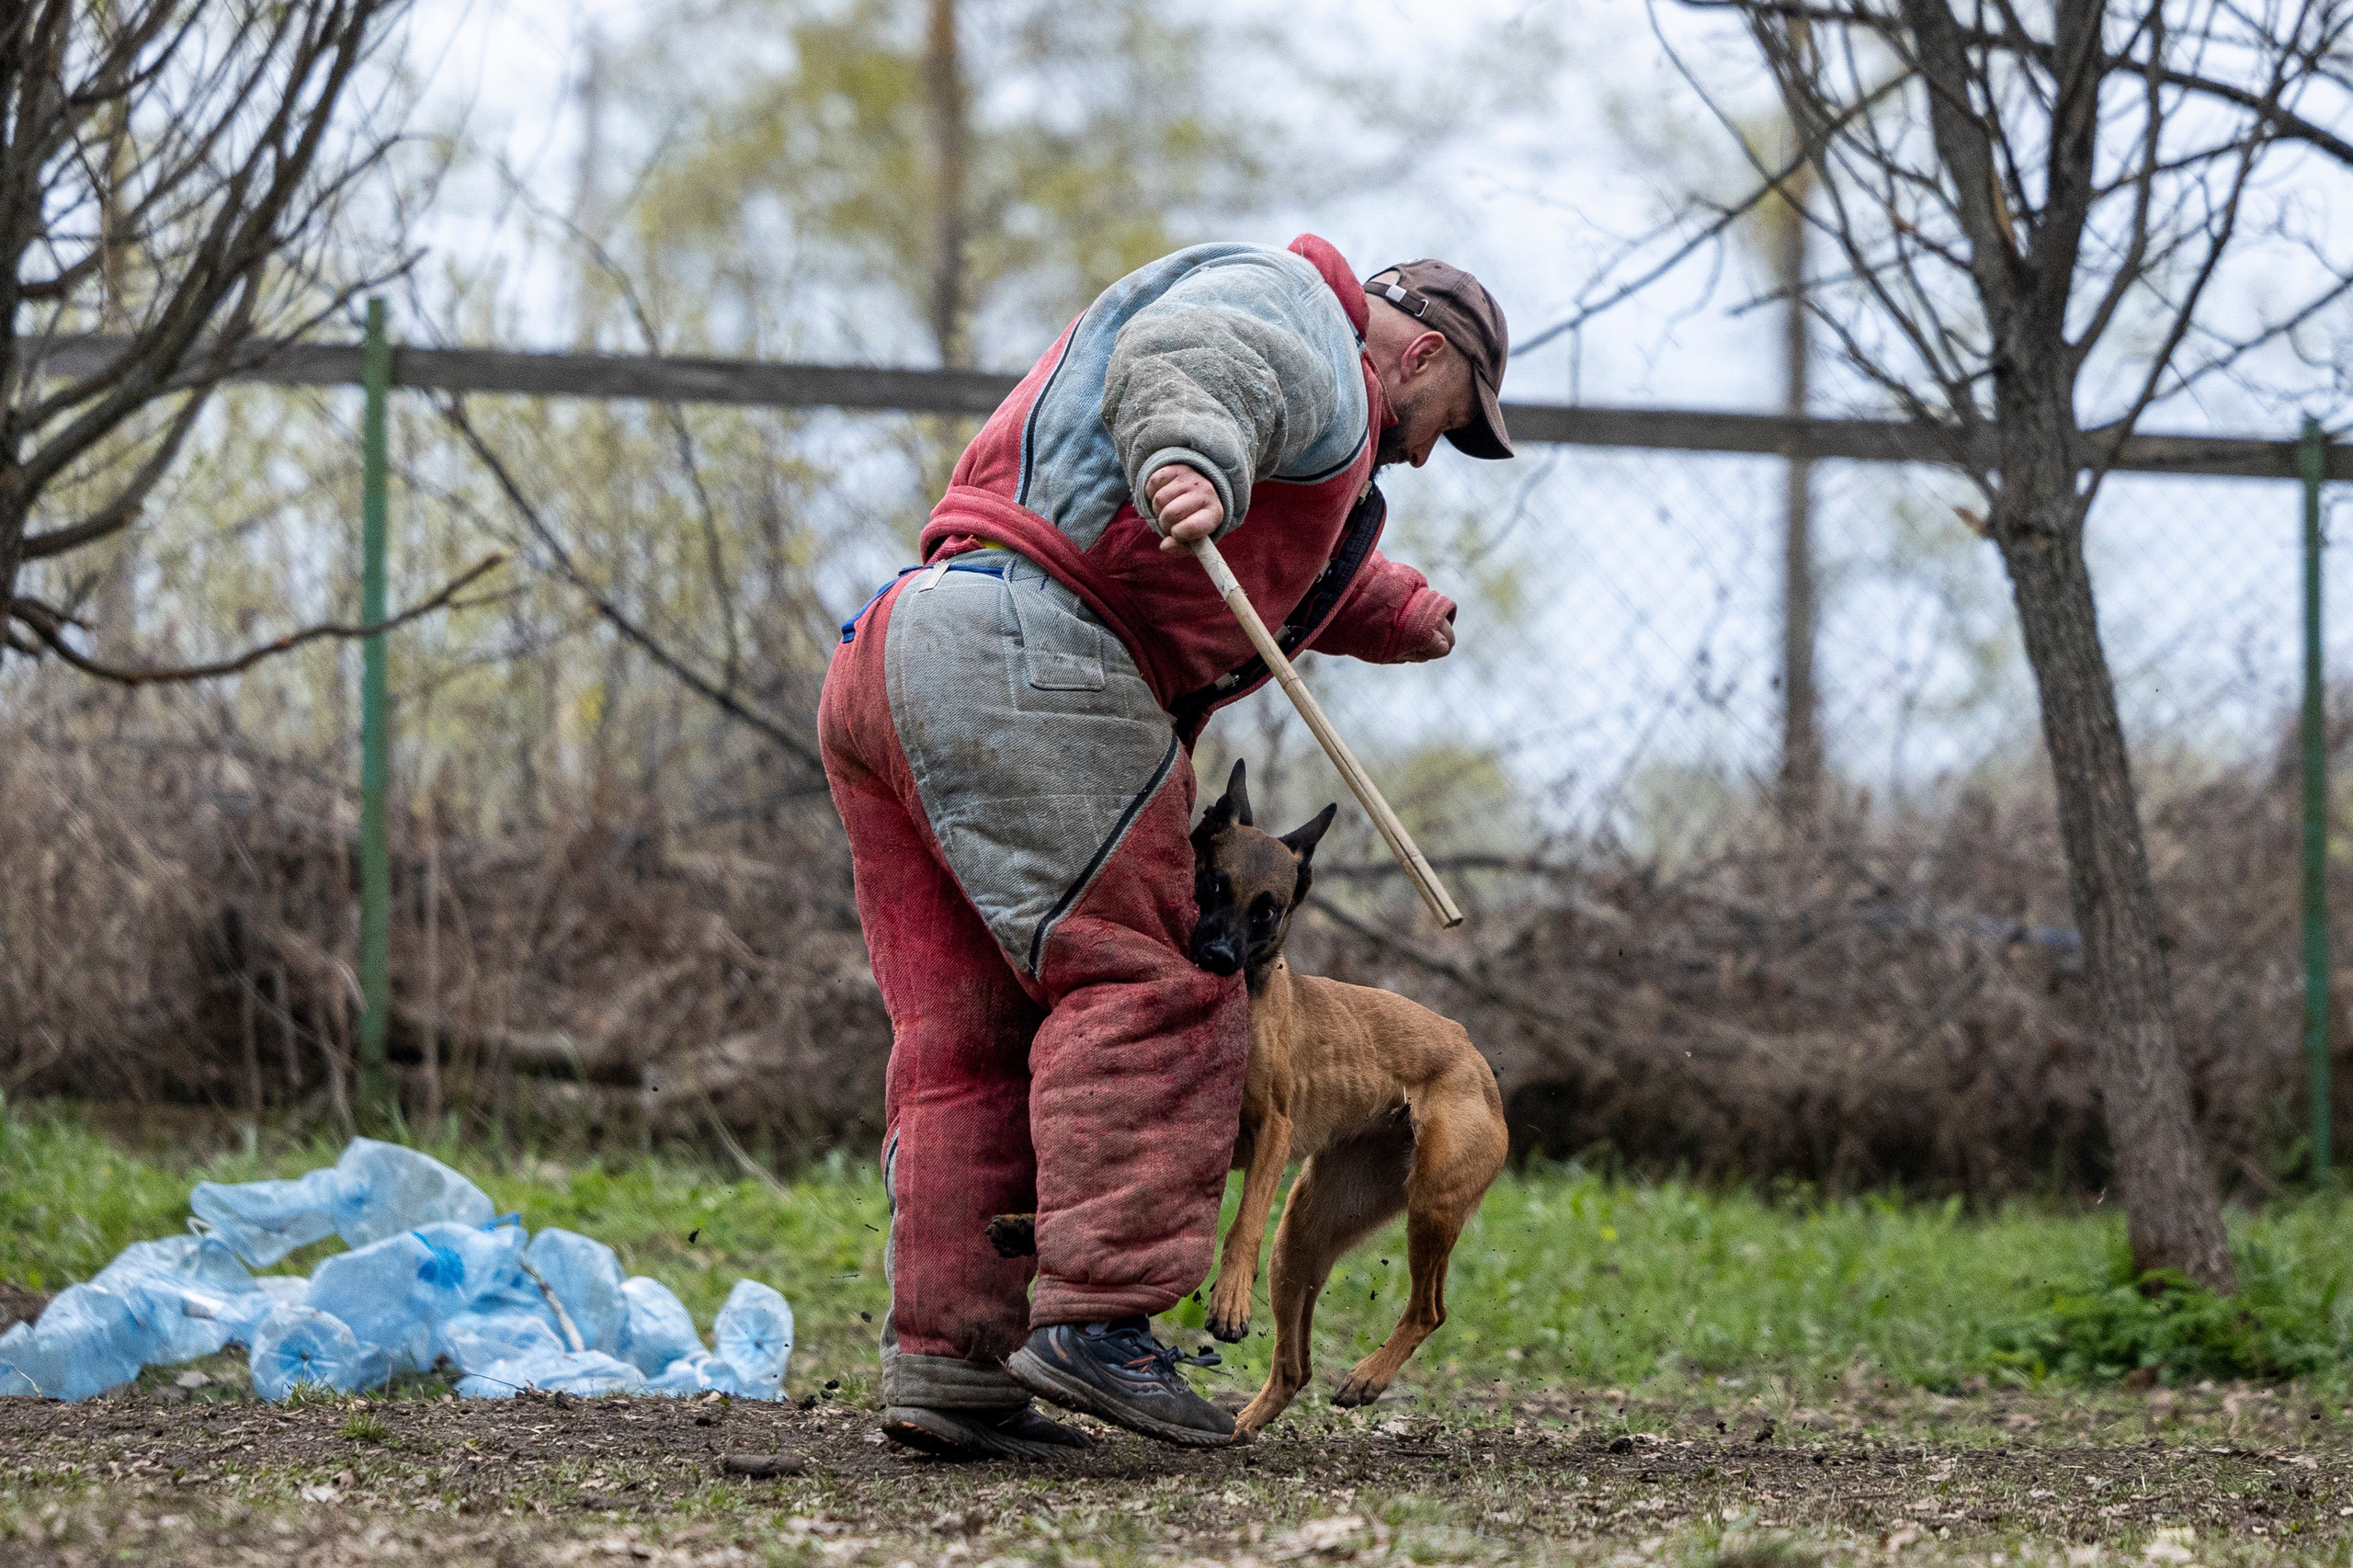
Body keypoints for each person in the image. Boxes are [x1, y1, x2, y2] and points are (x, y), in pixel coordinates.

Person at [821, 235, 1512, 1458]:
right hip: (1041, 657)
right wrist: (1187, 454)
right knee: (1171, 981)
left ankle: (953, 1365)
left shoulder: (1321, 422)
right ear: (1429, 351)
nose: (1428, 451)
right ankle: (1100, 1323)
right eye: (1452, 422)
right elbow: (1192, 363)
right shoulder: (1304, 315)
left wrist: (1402, 608)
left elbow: (1274, 559)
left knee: (970, 1037)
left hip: (908, 646)